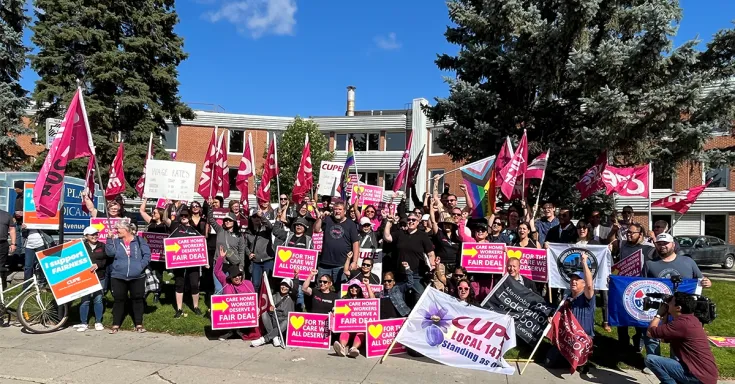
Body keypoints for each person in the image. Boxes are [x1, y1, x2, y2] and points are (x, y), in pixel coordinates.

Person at [639, 233, 712, 359]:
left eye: (665, 243)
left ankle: (677, 361)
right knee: (651, 333)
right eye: (659, 244)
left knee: (678, 335)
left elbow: (701, 279)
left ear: (673, 244)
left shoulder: (688, 261)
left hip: (681, 309)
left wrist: (707, 282)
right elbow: (641, 284)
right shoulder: (649, 264)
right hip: (658, 306)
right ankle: (654, 360)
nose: (662, 246)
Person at [644, 292, 718, 384]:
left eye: (670, 301)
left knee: (651, 359)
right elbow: (664, 339)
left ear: (678, 308)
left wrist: (658, 314)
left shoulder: (682, 324)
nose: (667, 303)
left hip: (698, 375)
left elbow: (650, 332)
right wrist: (665, 318)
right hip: (704, 374)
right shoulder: (691, 319)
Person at [544, 251, 595, 372]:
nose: (574, 281)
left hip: (582, 339)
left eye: (578, 280)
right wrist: (553, 319)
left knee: (579, 366)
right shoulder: (567, 298)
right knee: (549, 362)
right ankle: (567, 359)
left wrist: (584, 263)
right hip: (567, 338)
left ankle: (581, 361)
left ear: (583, 283)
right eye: (572, 279)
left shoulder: (587, 298)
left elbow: (589, 286)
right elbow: (560, 315)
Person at [105, 221, 151, 334]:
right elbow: (110, 253)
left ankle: (139, 324)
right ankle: (116, 324)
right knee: (119, 300)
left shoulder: (139, 240)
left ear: (126, 230)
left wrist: (140, 266)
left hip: (137, 276)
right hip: (118, 276)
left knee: (137, 299)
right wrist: (109, 239)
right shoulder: (116, 241)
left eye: (118, 229)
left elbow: (147, 255)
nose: (116, 231)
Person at [383, 212, 435, 300]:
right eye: (409, 219)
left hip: (416, 275)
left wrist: (432, 265)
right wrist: (388, 222)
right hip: (400, 275)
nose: (411, 221)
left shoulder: (423, 236)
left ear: (418, 222)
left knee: (420, 299)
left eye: (413, 220)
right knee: (399, 302)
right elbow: (387, 237)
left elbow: (430, 253)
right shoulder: (400, 233)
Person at [213, 246, 259, 341]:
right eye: (235, 277)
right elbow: (217, 271)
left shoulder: (248, 284)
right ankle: (229, 332)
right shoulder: (226, 282)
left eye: (239, 275)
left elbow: (252, 300)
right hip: (229, 312)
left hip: (242, 312)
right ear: (230, 278)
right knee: (218, 308)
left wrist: (256, 309)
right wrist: (221, 258)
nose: (237, 278)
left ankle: (239, 330)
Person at [168, 208, 205, 318]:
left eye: (186, 215)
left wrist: (204, 261)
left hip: (193, 261)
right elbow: (165, 218)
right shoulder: (175, 227)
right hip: (179, 261)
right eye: (182, 215)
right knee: (179, 284)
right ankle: (179, 309)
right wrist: (167, 205)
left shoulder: (194, 229)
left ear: (189, 216)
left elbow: (201, 244)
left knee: (194, 284)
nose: (184, 217)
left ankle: (196, 306)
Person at [313, 202, 360, 285]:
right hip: (325, 263)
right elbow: (316, 229)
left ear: (345, 211)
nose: (337, 211)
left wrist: (354, 261)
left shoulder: (351, 224)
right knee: (321, 288)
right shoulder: (327, 219)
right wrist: (320, 217)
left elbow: (355, 244)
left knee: (340, 290)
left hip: (342, 264)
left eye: (340, 209)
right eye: (335, 209)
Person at [207, 203, 248, 292]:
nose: (227, 222)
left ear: (234, 221)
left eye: (229, 220)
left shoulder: (239, 235)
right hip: (219, 264)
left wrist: (241, 266)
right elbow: (210, 219)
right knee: (218, 288)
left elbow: (241, 252)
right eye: (225, 220)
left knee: (230, 288)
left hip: (233, 265)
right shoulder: (220, 230)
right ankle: (217, 305)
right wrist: (210, 207)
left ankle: (229, 305)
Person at [74, 226, 107, 332]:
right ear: (86, 236)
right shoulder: (81, 246)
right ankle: (84, 323)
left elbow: (106, 260)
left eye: (96, 234)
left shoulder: (102, 245)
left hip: (100, 276)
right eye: (92, 234)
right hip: (85, 277)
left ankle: (98, 321)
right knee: (85, 300)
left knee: (98, 299)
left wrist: (98, 264)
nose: (95, 236)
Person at [252, 276, 297, 348]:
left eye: (286, 286)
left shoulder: (292, 297)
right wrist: (270, 310)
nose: (284, 287)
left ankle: (264, 339)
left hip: (284, 324)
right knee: (264, 314)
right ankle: (275, 337)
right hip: (274, 321)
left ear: (290, 288)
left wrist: (296, 278)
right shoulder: (274, 296)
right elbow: (270, 313)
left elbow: (295, 289)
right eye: (283, 285)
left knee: (287, 321)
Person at [139, 199, 168, 303]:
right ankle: (147, 289)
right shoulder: (151, 222)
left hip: (160, 254)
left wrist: (167, 204)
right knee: (148, 271)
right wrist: (145, 199)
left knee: (159, 273)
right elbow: (142, 211)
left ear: (160, 214)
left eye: (155, 212)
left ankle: (157, 291)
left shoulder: (165, 225)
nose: (152, 213)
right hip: (149, 253)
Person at [334, 281, 368, 357]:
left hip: (359, 327)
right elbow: (339, 311)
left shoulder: (364, 300)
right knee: (345, 331)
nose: (354, 289)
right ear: (349, 289)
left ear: (360, 289)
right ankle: (341, 347)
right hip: (348, 325)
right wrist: (335, 310)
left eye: (356, 287)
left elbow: (373, 302)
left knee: (361, 333)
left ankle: (353, 349)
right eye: (352, 287)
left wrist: (367, 285)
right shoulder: (344, 299)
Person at [245, 209, 275, 291]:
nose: (256, 218)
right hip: (256, 262)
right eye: (254, 217)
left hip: (268, 260)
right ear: (251, 219)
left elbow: (270, 226)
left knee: (268, 284)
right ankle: (256, 302)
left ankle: (269, 303)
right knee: (255, 284)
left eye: (258, 217)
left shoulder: (266, 229)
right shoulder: (247, 232)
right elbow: (244, 245)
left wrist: (262, 216)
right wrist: (249, 253)